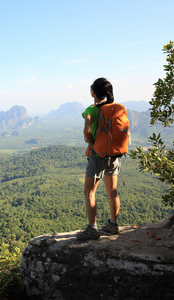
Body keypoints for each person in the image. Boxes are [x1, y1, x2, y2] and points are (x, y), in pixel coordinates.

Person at [76, 77, 121, 240]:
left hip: (97, 155)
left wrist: (91, 141)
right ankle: (113, 225)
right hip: (114, 154)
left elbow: (87, 131)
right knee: (113, 192)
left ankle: (92, 228)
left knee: (89, 192)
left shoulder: (92, 110)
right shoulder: (114, 108)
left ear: (93, 92)